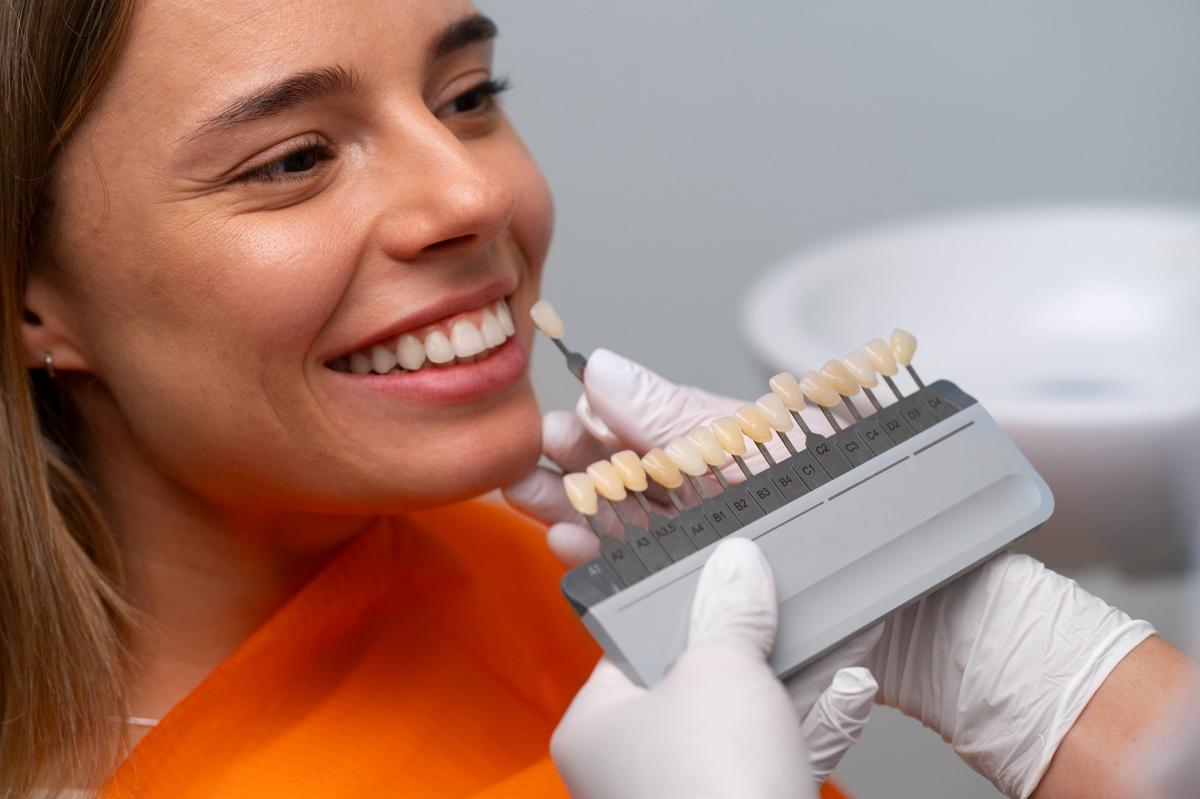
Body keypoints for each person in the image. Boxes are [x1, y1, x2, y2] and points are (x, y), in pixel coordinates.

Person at [0, 1, 859, 796]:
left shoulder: (544, 572)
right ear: (30, 294)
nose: (476, 195)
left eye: (468, 97)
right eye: (295, 159)